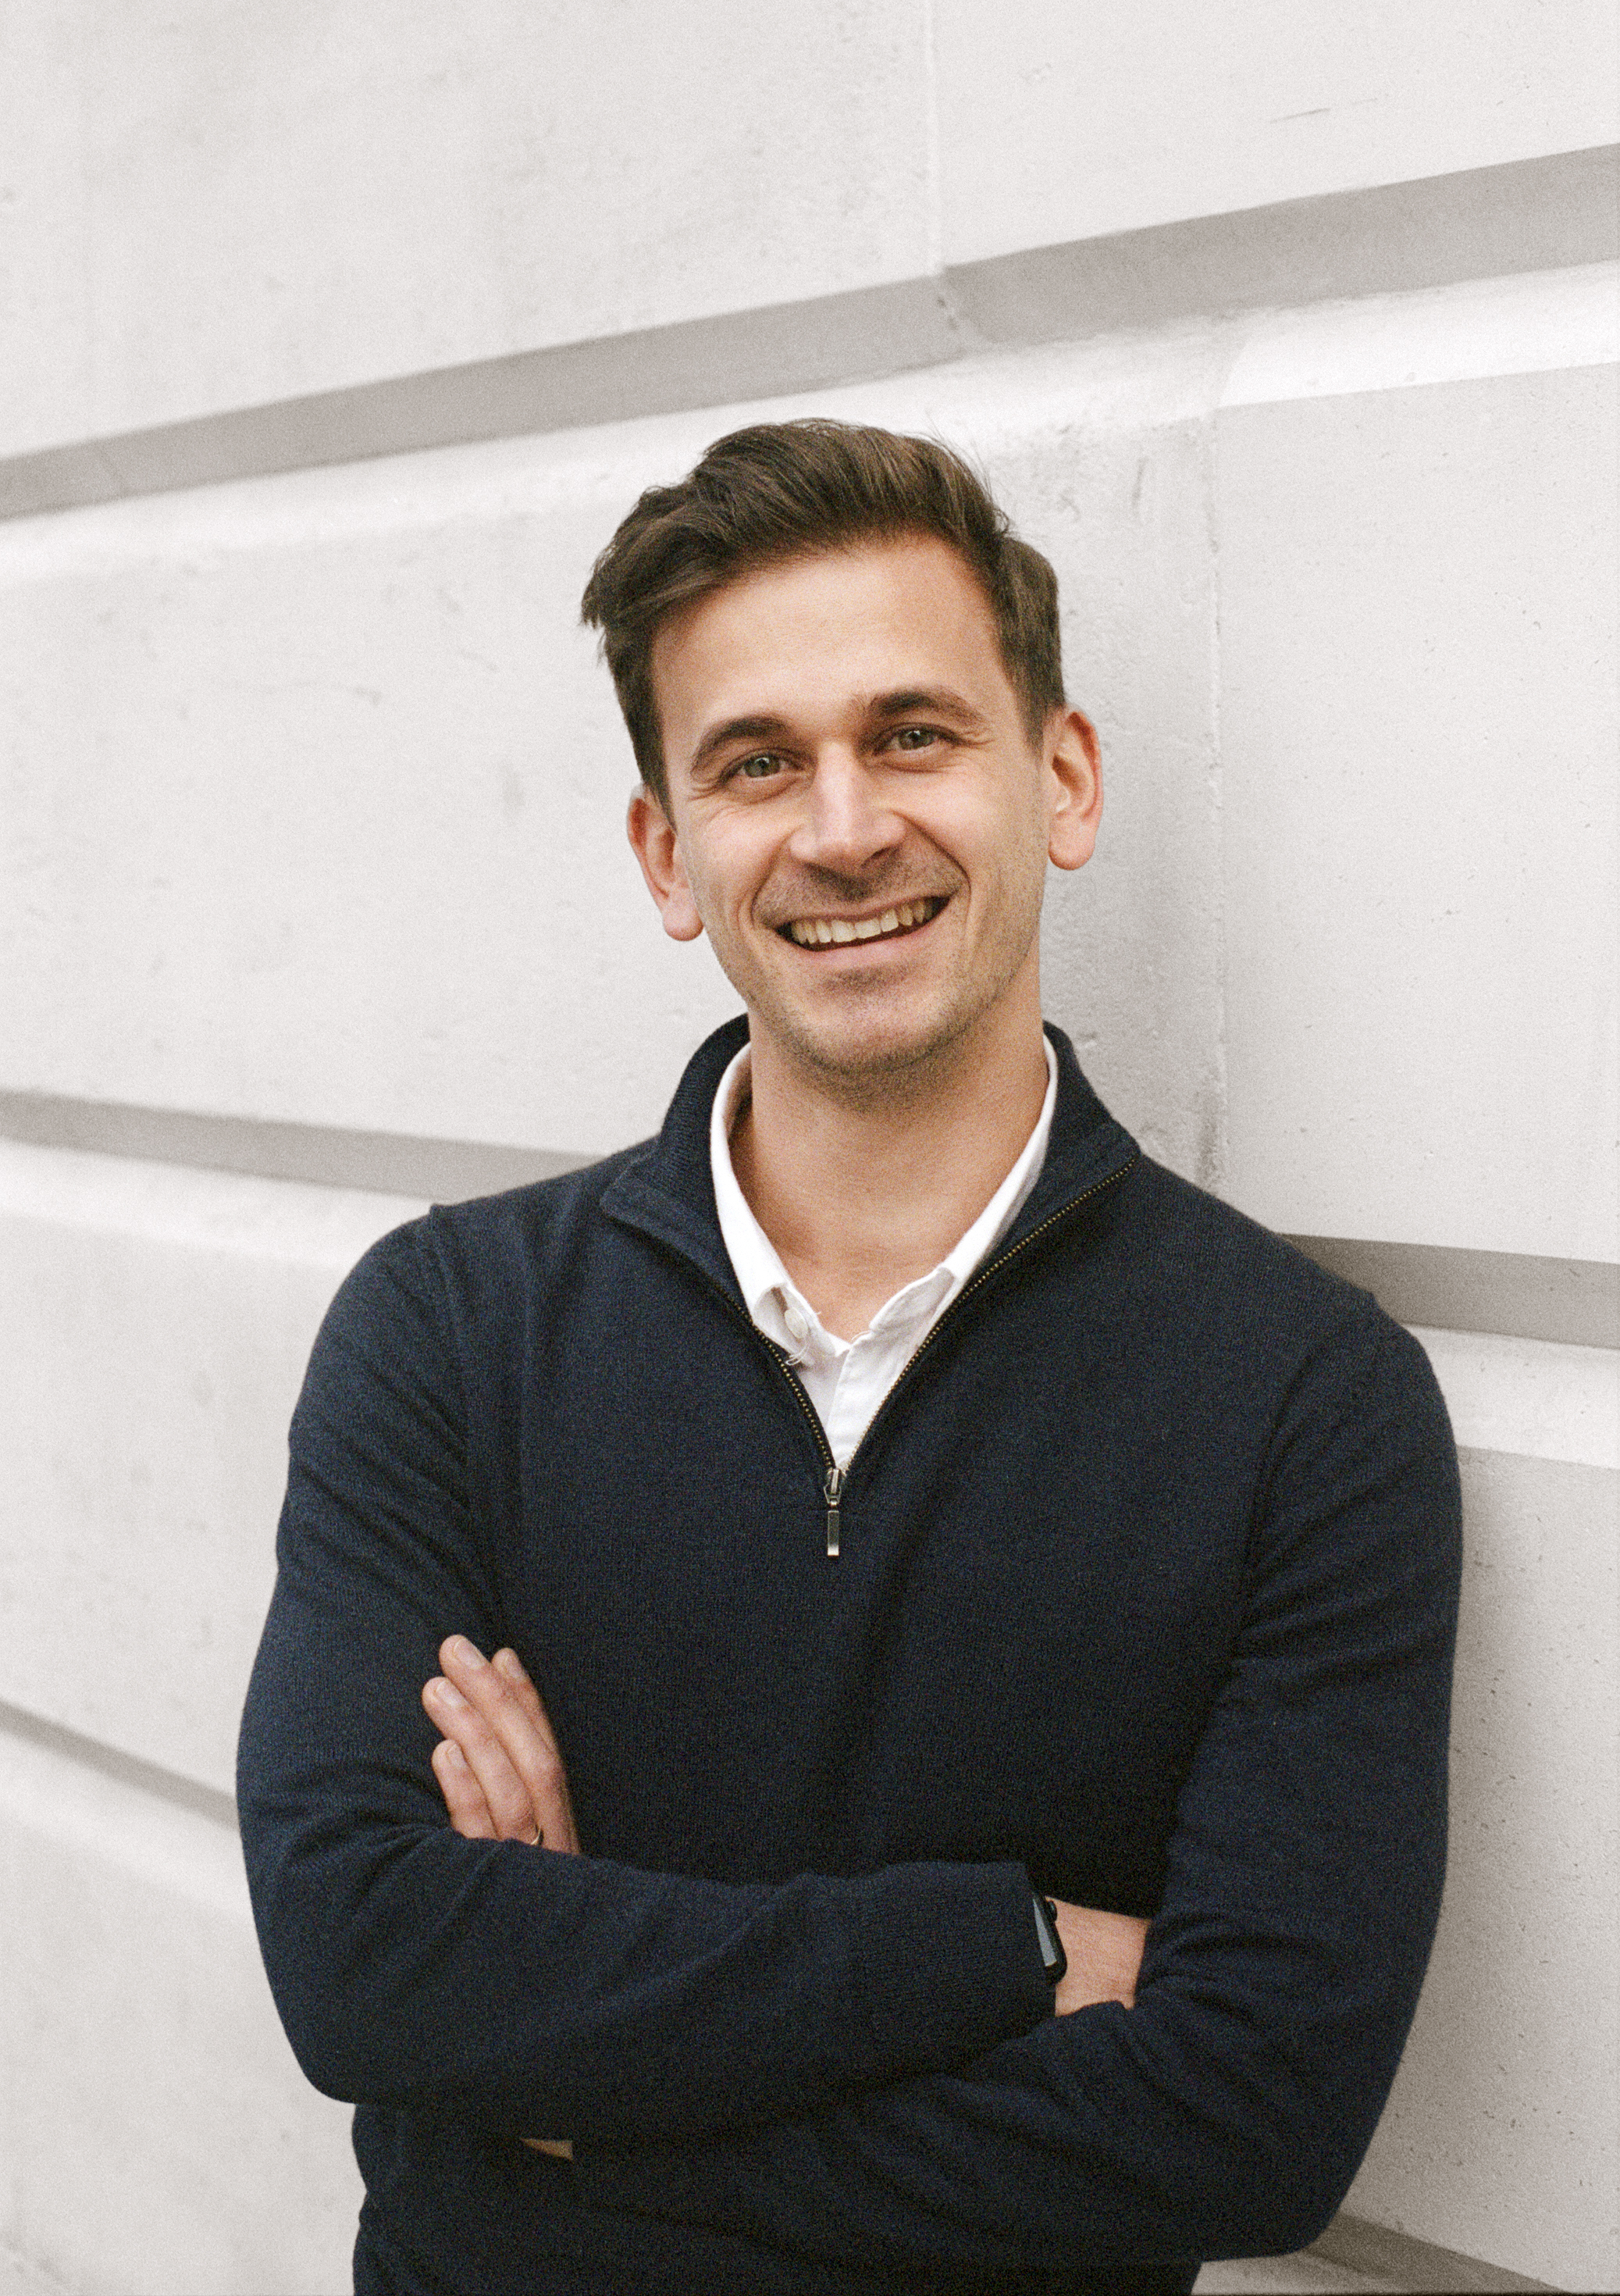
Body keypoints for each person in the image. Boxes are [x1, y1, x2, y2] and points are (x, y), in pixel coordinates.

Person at [237, 421, 1462, 2296]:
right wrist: (1015, 1948)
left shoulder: (1306, 1402)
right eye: (755, 762)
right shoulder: (450, 1331)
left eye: (912, 732)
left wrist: (570, 2090)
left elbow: (1251, 2116)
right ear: (669, 852)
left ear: (1060, 775)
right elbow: (365, 1962)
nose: (840, 826)